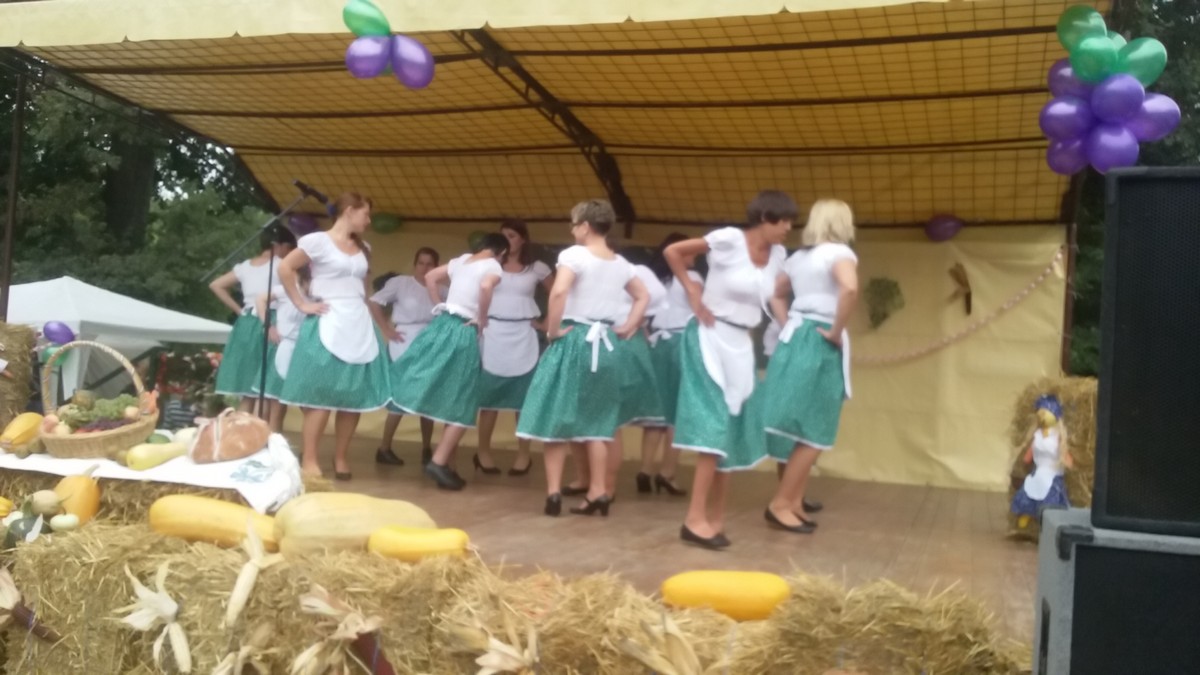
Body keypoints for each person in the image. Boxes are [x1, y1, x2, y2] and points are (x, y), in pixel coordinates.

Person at [664, 190, 794, 549]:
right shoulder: (729, 239)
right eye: (783, 220)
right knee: (713, 425)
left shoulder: (779, 256)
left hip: (741, 343)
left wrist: (789, 328)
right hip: (708, 334)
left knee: (732, 429)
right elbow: (673, 251)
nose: (788, 228)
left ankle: (716, 519)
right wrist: (692, 290)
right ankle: (694, 519)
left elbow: (775, 296)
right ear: (764, 217)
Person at [517, 199, 649, 518]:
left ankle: (553, 494)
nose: (572, 229)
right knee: (598, 422)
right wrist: (628, 326)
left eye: (574, 224)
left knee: (555, 415)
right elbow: (643, 295)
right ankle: (598, 492)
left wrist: (552, 330)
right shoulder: (621, 263)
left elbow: (559, 292)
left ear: (586, 226)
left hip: (574, 337)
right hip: (606, 344)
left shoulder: (574, 255)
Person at [277, 193, 394, 479]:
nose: (368, 220)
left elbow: (362, 287)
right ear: (349, 211)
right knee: (321, 394)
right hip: (328, 317)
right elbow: (285, 268)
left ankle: (341, 457)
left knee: (351, 396)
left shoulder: (364, 247)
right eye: (365, 214)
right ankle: (310, 458)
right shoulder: (317, 241)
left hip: (357, 321)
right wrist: (301, 303)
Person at [763, 199, 858, 533]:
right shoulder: (840, 253)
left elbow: (775, 294)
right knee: (816, 428)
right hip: (819, 338)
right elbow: (850, 288)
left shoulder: (798, 258)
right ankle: (781, 504)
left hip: (795, 336)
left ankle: (793, 502)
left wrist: (787, 323)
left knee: (801, 426)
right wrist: (835, 331)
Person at [389, 234, 508, 491]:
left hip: (442, 324)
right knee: (463, 398)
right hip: (463, 329)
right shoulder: (493, 265)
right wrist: (482, 318)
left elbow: (431, 277)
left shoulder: (461, 260)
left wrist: (440, 305)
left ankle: (448, 466)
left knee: (449, 394)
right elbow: (486, 287)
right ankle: (439, 461)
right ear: (501, 252)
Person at [475, 220, 553, 476]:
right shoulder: (489, 266)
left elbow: (558, 294)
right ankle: (482, 452)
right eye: (503, 236)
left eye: (512, 235)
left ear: (523, 239)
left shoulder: (537, 268)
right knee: (489, 399)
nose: (507, 240)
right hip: (492, 333)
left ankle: (523, 455)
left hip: (523, 335)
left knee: (523, 399)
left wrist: (545, 324)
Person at [637, 233, 700, 497]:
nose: (695, 256)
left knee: (656, 412)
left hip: (656, 345)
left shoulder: (655, 280)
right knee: (678, 411)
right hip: (682, 342)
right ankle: (667, 472)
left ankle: (645, 469)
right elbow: (701, 312)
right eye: (691, 251)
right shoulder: (692, 279)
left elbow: (640, 315)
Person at [370, 247, 445, 466]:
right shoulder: (401, 283)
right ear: (415, 265)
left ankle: (427, 448)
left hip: (430, 343)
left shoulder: (442, 289)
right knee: (399, 397)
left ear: (436, 266)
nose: (424, 268)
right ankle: (384, 448)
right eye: (421, 263)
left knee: (428, 397)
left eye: (429, 264)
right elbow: (375, 301)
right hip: (403, 340)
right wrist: (386, 329)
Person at [210, 226, 296, 412]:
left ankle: (243, 428)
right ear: (280, 245)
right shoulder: (282, 265)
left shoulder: (245, 267)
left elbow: (216, 285)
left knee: (247, 388)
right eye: (289, 248)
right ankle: (264, 429)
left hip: (247, 321)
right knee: (268, 386)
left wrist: (239, 310)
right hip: (273, 320)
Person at [254, 265, 312, 432]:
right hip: (284, 345)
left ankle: (308, 443)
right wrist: (268, 325)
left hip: (306, 349)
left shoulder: (316, 293)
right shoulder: (285, 290)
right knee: (276, 401)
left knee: (307, 401)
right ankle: (272, 440)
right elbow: (260, 299)